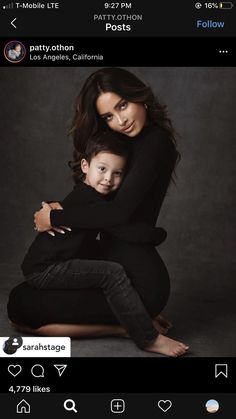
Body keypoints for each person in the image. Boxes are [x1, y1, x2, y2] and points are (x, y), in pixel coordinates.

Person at [8, 67, 189, 357]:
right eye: (108, 116)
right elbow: (97, 204)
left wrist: (53, 217)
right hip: (113, 267)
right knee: (20, 301)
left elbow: (116, 214)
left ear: (138, 96)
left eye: (122, 105)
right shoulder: (123, 144)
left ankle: (138, 326)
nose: (121, 121)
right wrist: (58, 207)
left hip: (139, 283)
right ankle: (127, 325)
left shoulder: (154, 143)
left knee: (24, 307)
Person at [21, 132, 171, 353]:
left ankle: (134, 314)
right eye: (102, 169)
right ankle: (147, 337)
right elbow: (130, 232)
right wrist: (159, 234)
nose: (108, 179)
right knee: (111, 273)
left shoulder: (89, 195)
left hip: (55, 263)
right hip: (45, 269)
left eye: (117, 173)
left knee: (101, 261)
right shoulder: (91, 200)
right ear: (85, 166)